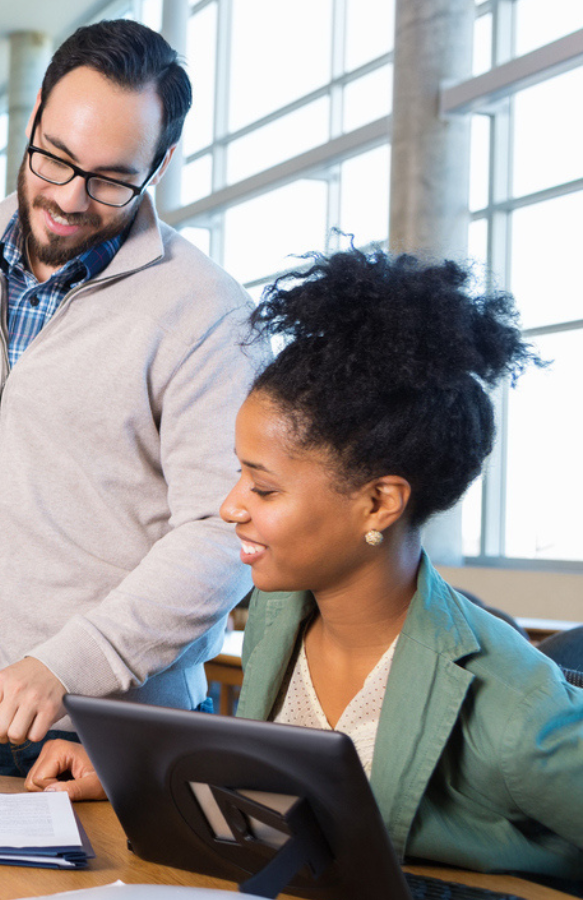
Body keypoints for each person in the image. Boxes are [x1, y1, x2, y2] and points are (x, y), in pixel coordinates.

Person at [30, 248, 583, 884]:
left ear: (378, 503)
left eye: (263, 489)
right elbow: (298, 792)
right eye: (239, 473)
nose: (230, 506)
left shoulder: (515, 715)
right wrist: (146, 777)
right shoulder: (282, 608)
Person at [0, 18, 260, 779]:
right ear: (34, 115)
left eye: (109, 178)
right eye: (54, 158)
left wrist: (69, 663)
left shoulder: (206, 313)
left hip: (118, 729)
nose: (68, 197)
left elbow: (222, 533)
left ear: (157, 167)